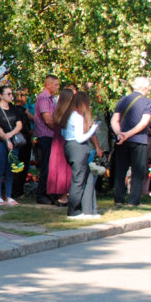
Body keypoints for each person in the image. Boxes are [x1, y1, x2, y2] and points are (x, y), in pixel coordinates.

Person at [110, 76, 151, 207]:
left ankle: (119, 199)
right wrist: (128, 134)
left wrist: (120, 134)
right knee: (138, 171)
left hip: (122, 140)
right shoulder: (147, 102)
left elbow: (114, 120)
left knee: (120, 169)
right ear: (144, 88)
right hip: (139, 140)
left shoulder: (123, 100)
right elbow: (144, 123)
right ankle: (134, 201)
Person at [58, 91, 101, 219]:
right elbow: (80, 138)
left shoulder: (68, 115)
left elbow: (64, 134)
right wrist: (93, 129)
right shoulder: (77, 116)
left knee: (87, 179)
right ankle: (73, 211)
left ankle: (89, 210)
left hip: (70, 147)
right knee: (78, 180)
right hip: (77, 148)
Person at [0, 85, 24, 206]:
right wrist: (5, 139)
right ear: (1, 96)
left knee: (11, 168)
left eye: (11, 93)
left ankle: (9, 195)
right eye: (8, 94)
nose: (11, 96)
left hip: (13, 141)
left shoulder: (14, 109)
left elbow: (19, 125)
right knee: (0, 167)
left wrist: (10, 135)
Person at [33, 74, 60, 204]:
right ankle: (42, 194)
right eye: (56, 85)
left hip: (50, 136)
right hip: (46, 135)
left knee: (51, 166)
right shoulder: (44, 98)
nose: (57, 87)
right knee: (46, 166)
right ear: (48, 84)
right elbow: (48, 119)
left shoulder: (51, 99)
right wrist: (58, 129)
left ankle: (49, 193)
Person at [47, 89, 75, 205]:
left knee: (57, 168)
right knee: (65, 169)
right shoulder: (69, 113)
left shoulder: (57, 111)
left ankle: (58, 194)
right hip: (65, 141)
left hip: (56, 142)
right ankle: (64, 197)